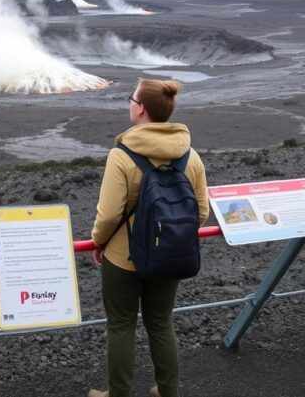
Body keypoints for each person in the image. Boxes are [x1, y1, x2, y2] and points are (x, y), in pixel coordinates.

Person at [88, 79, 209, 397]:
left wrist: (98, 241)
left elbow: (109, 214)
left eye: (131, 99)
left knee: (121, 324)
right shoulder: (189, 156)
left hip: (123, 257)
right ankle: (168, 391)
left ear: (141, 108)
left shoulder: (121, 156)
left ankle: (118, 394)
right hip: (170, 254)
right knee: (160, 322)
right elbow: (202, 212)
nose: (129, 103)